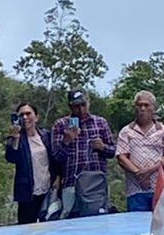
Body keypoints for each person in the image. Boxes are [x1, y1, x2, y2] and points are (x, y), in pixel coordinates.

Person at [50, 90, 116, 218]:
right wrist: (66, 141)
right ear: (70, 106)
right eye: (76, 106)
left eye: (83, 105)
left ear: (88, 103)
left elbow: (113, 151)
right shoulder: (61, 125)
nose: (80, 109)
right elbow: (56, 157)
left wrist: (103, 147)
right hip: (71, 183)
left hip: (96, 185)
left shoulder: (100, 122)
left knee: (98, 220)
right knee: (71, 222)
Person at [115, 92, 164, 212]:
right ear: (135, 108)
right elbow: (121, 157)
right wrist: (139, 173)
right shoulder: (126, 131)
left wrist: (149, 171)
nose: (142, 109)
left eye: (146, 105)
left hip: (161, 188)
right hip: (135, 189)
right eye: (139, 105)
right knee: (137, 227)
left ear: (154, 108)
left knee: (163, 226)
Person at [5, 102, 55, 224]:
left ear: (36, 117)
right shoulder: (16, 138)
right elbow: (11, 158)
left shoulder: (46, 136)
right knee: (26, 228)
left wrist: (57, 178)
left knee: (50, 226)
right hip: (27, 192)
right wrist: (15, 138)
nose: (25, 117)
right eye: (21, 115)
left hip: (48, 190)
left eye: (28, 114)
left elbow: (55, 159)